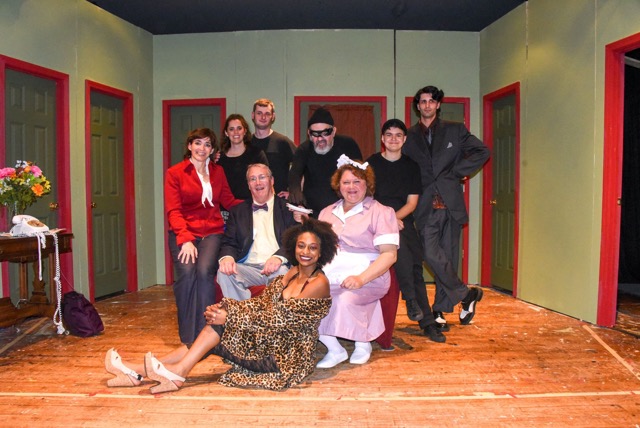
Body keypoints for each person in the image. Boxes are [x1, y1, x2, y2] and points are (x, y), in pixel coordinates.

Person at [104, 217, 340, 392]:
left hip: (286, 357)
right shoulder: (291, 273)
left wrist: (229, 317)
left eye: (312, 247)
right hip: (271, 341)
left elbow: (280, 321)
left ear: (322, 252)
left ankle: (165, 372)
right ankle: (140, 371)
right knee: (217, 323)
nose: (305, 252)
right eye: (301, 245)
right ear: (293, 246)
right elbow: (261, 305)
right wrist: (224, 309)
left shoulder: (318, 283)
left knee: (219, 329)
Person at [402, 85, 490, 330]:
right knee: (431, 254)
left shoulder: (455, 130)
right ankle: (466, 294)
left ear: (438, 105)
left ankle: (439, 310)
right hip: (424, 206)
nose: (427, 105)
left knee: (448, 257)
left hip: (450, 204)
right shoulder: (409, 136)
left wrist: (456, 172)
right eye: (423, 101)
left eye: (431, 101)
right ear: (417, 106)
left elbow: (482, 151)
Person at [314, 156, 399, 368]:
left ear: (367, 184)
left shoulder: (381, 212)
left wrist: (361, 279)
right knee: (306, 300)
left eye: (357, 181)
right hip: (331, 273)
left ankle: (363, 344)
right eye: (346, 182)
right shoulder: (327, 212)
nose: (351, 187)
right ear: (338, 185)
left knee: (344, 299)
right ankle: (335, 350)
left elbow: (389, 255)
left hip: (369, 274)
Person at [366, 119, 445, 343]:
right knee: (402, 251)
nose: (393, 139)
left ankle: (426, 320)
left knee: (414, 264)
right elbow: (366, 198)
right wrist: (387, 219)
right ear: (382, 138)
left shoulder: (411, 166)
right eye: (389, 135)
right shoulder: (371, 163)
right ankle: (411, 301)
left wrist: (394, 219)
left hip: (402, 219)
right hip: (375, 220)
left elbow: (412, 203)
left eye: (398, 135)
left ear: (404, 139)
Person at [164, 128, 243, 345]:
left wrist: (256, 204)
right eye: (198, 143)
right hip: (184, 232)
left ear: (212, 150)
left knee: (204, 271)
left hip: (212, 231)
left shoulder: (218, 172)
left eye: (207, 144)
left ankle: (207, 333)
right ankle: (188, 336)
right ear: (189, 146)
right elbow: (173, 210)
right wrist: (185, 239)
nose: (202, 148)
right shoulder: (175, 173)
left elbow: (228, 200)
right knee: (187, 273)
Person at [217, 163, 297, 300]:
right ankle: (243, 312)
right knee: (224, 273)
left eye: (262, 177)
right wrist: (227, 257)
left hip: (278, 267)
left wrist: (279, 257)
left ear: (272, 181)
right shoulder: (238, 211)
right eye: (252, 179)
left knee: (283, 273)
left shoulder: (288, 209)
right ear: (249, 185)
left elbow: (294, 240)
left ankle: (270, 313)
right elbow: (229, 242)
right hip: (247, 267)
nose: (258, 183)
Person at [288, 107, 362, 215]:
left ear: (334, 131)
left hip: (345, 211)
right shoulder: (304, 149)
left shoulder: (348, 145)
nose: (320, 139)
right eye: (315, 134)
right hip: (314, 212)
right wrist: (295, 190)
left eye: (325, 133)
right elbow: (295, 173)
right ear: (309, 134)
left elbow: (361, 174)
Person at [251, 98, 296, 199]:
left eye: (267, 114)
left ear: (273, 116)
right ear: (253, 115)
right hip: (252, 201)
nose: (263, 117)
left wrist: (294, 192)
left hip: (279, 201)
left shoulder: (282, 142)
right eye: (259, 113)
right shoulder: (246, 143)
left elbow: (302, 166)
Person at [218, 114, 269, 200]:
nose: (236, 132)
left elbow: (267, 181)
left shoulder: (257, 154)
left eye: (239, 128)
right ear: (226, 133)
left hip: (252, 205)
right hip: (226, 206)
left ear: (245, 131)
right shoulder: (219, 158)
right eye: (231, 129)